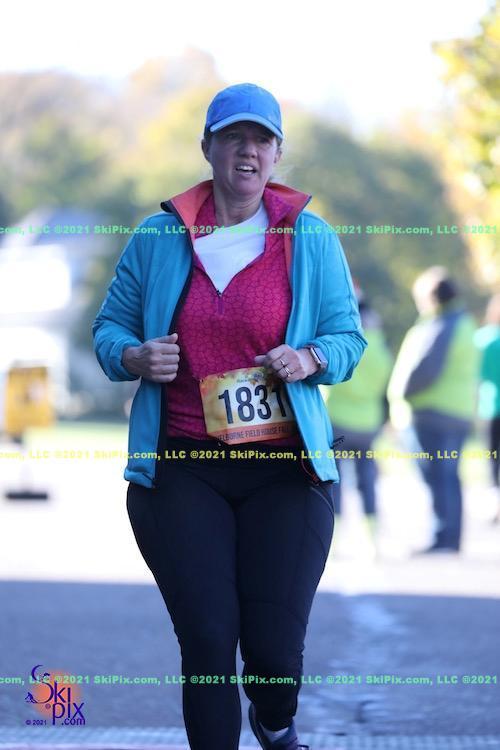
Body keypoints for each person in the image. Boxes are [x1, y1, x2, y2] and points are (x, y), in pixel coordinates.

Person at [93, 82, 366, 750]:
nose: (248, 151)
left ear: (277, 154)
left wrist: (309, 357)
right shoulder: (158, 237)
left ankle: (273, 719)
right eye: (233, 137)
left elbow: (347, 339)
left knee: (272, 655)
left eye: (261, 140)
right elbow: (108, 330)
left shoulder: (309, 238)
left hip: (284, 469)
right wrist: (133, 355)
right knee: (209, 641)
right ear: (208, 148)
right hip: (183, 467)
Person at [388, 266, 479, 553]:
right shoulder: (464, 322)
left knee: (437, 477)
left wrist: (401, 393)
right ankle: (450, 538)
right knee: (449, 477)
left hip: (433, 412)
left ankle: (443, 537)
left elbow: (427, 369)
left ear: (430, 297)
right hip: (457, 411)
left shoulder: (441, 324)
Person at [321, 290, 392, 542]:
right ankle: (372, 537)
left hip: (338, 420)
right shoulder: (381, 349)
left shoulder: (343, 344)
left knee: (335, 481)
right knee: (367, 480)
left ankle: (334, 537)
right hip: (368, 423)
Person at [474, 293, 500, 522]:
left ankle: (495, 504)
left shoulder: (483, 338)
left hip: (492, 406)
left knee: (493, 458)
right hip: (492, 405)